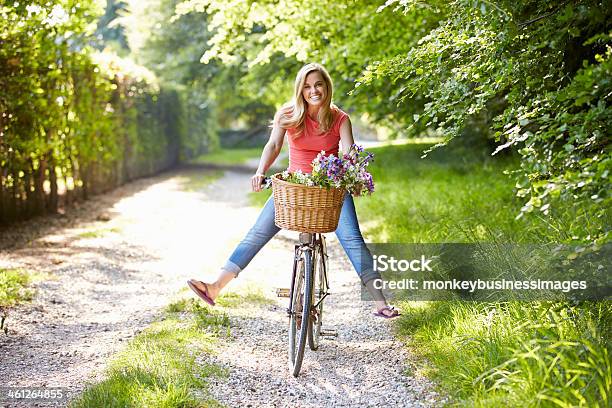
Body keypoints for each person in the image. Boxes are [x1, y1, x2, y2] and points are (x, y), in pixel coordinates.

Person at [187, 63, 399, 319]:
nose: (314, 91)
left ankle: (381, 303)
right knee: (256, 234)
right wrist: (260, 171)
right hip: (294, 188)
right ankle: (215, 287)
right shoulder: (288, 114)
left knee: (353, 240)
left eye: (318, 84)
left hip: (329, 190)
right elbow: (274, 144)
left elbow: (348, 151)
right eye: (307, 86)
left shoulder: (340, 119)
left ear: (326, 86)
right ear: (300, 90)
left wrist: (354, 172)